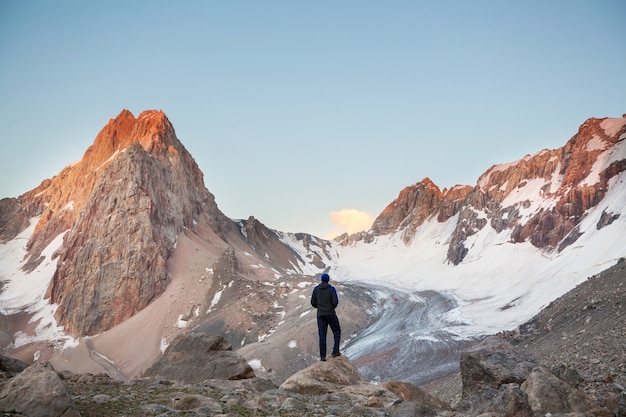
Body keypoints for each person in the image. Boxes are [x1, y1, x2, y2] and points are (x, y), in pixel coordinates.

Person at [310, 273, 341, 361]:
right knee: (336, 332)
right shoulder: (331, 289)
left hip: (320, 314)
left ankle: (323, 356)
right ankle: (335, 351)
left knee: (322, 335)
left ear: (321, 280)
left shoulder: (316, 289)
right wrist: (330, 308)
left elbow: (313, 302)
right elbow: (335, 302)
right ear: (328, 280)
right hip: (330, 313)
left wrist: (319, 307)